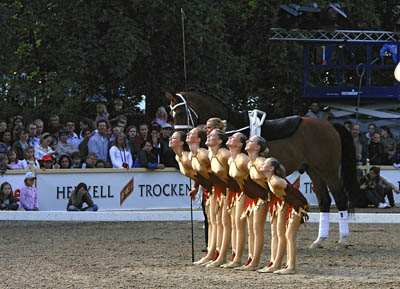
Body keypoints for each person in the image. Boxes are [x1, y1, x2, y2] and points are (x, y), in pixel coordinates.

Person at [258, 157, 310, 274]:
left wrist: (304, 205)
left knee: (289, 235)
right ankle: (277, 264)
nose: (262, 164)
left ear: (271, 168)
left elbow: (295, 192)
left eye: (265, 163)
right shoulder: (270, 179)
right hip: (290, 206)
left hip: (296, 207)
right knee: (285, 235)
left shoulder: (276, 181)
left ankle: (291, 266)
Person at [237, 135, 269, 271]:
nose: (247, 142)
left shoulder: (261, 162)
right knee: (251, 230)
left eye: (250, 141)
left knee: (257, 229)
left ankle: (255, 261)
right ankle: (250, 259)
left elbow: (274, 177)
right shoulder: (250, 162)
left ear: (257, 147)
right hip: (252, 196)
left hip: (262, 197)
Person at [223, 132, 252, 269]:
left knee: (240, 226)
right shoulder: (230, 159)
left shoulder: (242, 159)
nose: (229, 137)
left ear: (240, 144)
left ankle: (239, 258)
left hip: (246, 194)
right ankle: (235, 257)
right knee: (234, 225)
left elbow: (254, 174)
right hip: (236, 193)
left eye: (233, 138)